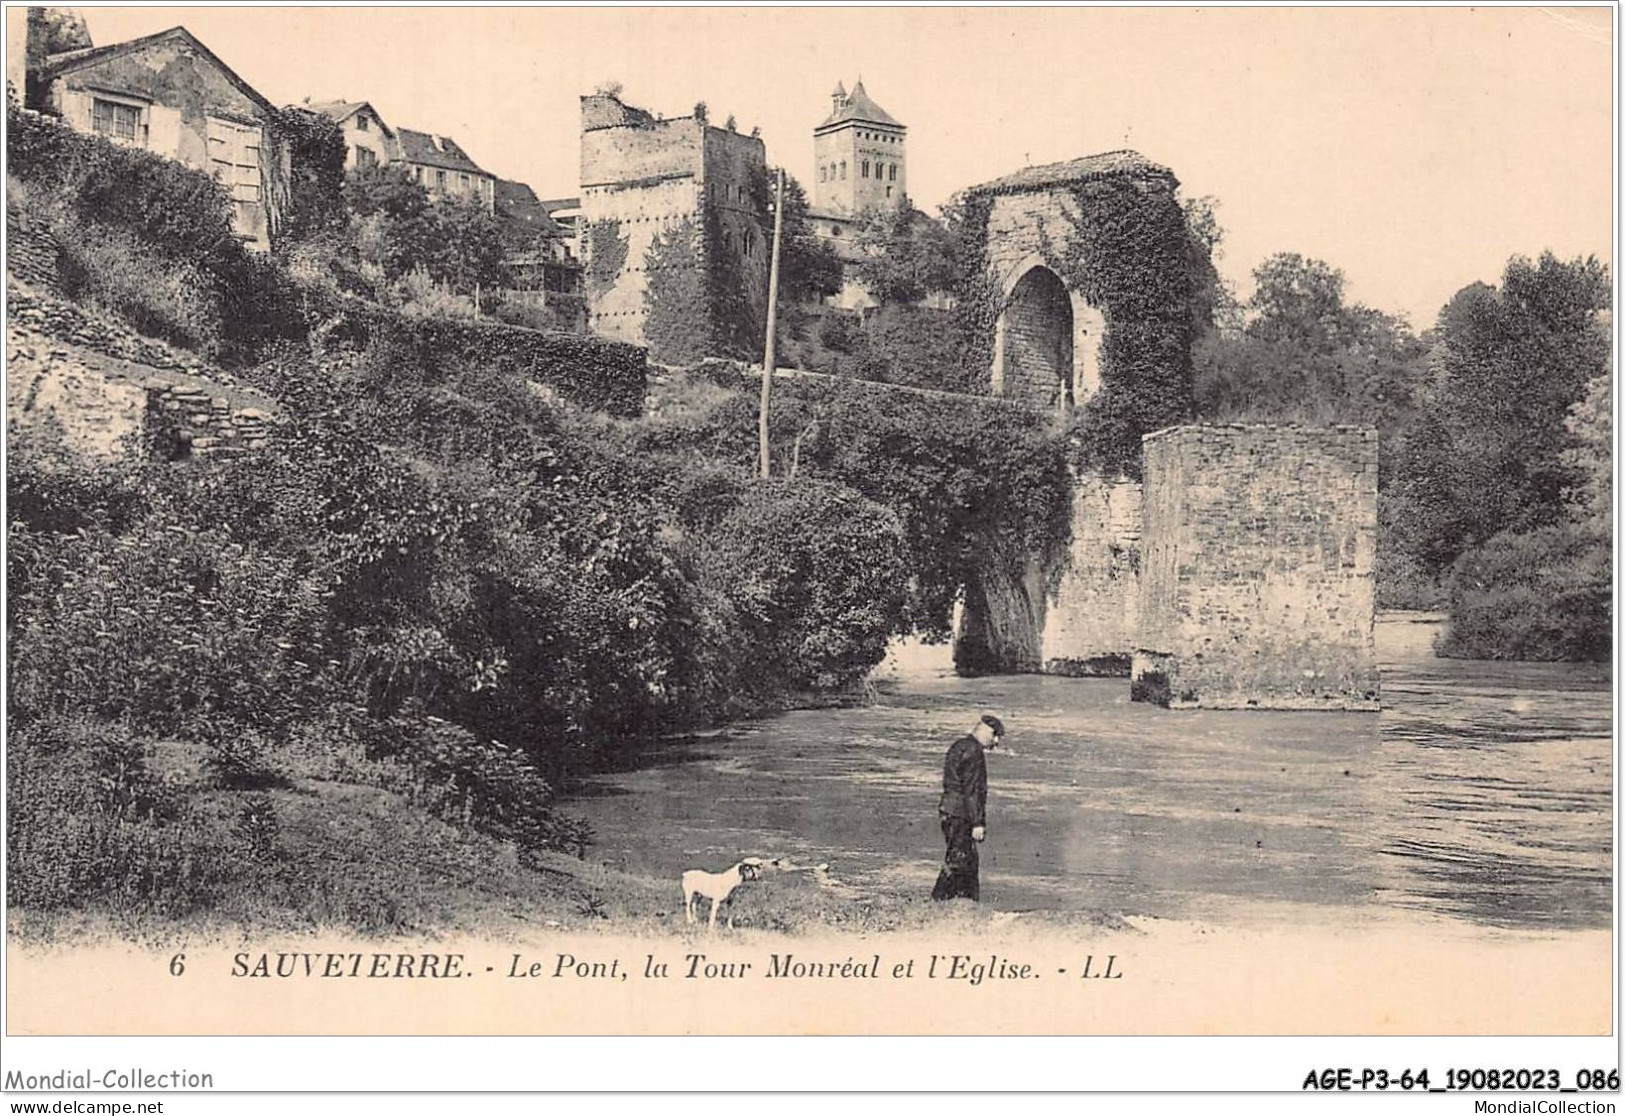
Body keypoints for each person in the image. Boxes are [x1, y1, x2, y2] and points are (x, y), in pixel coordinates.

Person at [931, 713, 1004, 902]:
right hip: (960, 814)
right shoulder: (974, 752)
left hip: (948, 810)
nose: (996, 742)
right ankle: (937, 903)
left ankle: (962, 904)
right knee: (959, 861)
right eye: (995, 735)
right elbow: (972, 791)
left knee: (965, 861)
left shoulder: (959, 745)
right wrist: (978, 823)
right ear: (985, 730)